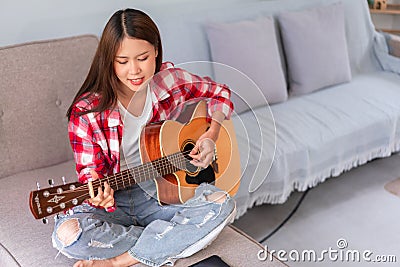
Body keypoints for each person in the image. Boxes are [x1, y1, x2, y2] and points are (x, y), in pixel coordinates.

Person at [52, 8, 236, 267]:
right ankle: (170, 237)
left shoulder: (170, 82)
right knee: (68, 235)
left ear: (157, 51)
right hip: (115, 202)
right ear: (109, 61)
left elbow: (220, 93)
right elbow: (89, 171)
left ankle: (120, 260)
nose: (135, 70)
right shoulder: (87, 112)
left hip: (159, 192)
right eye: (123, 61)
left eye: (143, 57)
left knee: (222, 204)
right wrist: (98, 192)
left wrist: (211, 134)